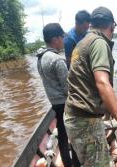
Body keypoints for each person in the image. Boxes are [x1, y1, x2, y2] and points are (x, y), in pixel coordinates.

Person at [64, 6, 117, 166]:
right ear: (112, 26)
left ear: (91, 25)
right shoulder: (99, 43)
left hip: (74, 116)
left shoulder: (83, 42)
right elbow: (102, 82)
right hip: (84, 120)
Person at [36, 23, 73, 167]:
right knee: (71, 134)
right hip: (65, 103)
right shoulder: (57, 59)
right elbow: (67, 87)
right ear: (55, 39)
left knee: (63, 135)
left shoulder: (40, 58)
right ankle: (72, 163)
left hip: (55, 103)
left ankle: (66, 161)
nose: (63, 40)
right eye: (62, 37)